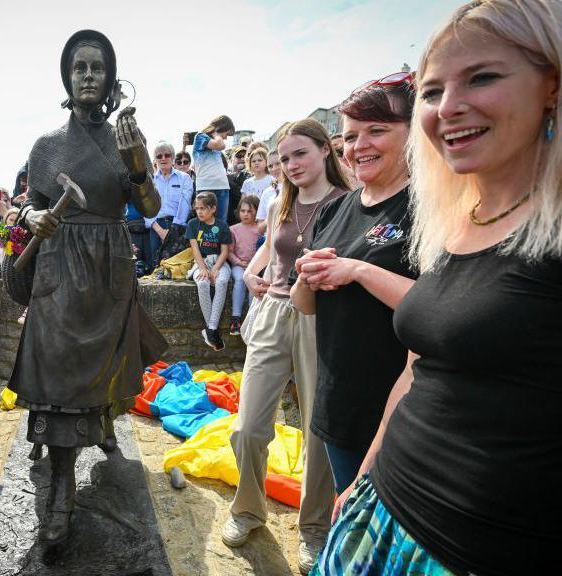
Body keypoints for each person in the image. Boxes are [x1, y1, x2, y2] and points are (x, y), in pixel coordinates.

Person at [311, 1, 562, 574]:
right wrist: (363, 477)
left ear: (554, 84)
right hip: (378, 517)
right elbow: (418, 368)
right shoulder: (460, 213)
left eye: (482, 77)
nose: (449, 108)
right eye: (432, 92)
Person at [12, 29, 167, 546]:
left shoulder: (125, 138)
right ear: (66, 77)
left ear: (110, 80)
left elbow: (149, 209)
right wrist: (34, 215)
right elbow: (23, 206)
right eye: (78, 68)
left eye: (96, 68)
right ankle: (61, 490)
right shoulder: (47, 145)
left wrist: (139, 165)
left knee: (104, 366)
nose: (87, 76)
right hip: (59, 266)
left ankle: (102, 425)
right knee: (57, 376)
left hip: (108, 265)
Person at [223, 118, 349, 574]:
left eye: (300, 154)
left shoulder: (348, 203)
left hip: (323, 320)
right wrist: (254, 272)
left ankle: (313, 526)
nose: (291, 165)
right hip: (274, 313)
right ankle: (248, 509)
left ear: (323, 151)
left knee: (318, 430)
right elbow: (271, 247)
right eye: (284, 158)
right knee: (247, 428)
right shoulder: (279, 201)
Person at [290, 72, 418, 496]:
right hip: (338, 402)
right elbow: (306, 306)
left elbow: (442, 307)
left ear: (414, 133)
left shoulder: (428, 210)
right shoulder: (335, 210)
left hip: (402, 412)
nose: (359, 145)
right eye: (350, 135)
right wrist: (309, 277)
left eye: (376, 130)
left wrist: (359, 271)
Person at [186, 191, 232, 351]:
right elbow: (195, 249)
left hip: (219, 262)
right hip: (201, 262)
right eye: (197, 208)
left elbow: (225, 251)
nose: (199, 211)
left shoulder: (222, 225)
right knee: (203, 283)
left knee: (222, 281)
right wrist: (204, 269)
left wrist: (215, 269)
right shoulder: (192, 224)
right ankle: (212, 330)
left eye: (203, 208)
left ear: (213, 208)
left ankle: (210, 329)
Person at [145, 141, 194, 271]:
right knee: (155, 266)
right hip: (155, 226)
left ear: (172, 158)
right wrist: (159, 230)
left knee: (176, 267)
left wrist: (172, 232)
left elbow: (185, 205)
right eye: (159, 156)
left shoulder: (184, 178)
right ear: (155, 159)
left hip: (177, 225)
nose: (163, 159)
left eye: (167, 155)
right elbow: (145, 207)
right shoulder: (149, 180)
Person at [227, 195, 260, 335]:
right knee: (240, 280)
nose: (245, 214)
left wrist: (253, 265)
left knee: (255, 283)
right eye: (243, 211)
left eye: (249, 211)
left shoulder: (260, 229)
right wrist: (239, 262)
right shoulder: (233, 229)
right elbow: (229, 251)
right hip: (238, 265)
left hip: (255, 266)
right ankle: (236, 319)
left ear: (257, 212)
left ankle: (253, 320)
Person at [192, 115, 235, 222]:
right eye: (226, 133)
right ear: (221, 127)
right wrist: (215, 133)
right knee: (204, 223)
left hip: (222, 187)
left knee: (220, 224)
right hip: (205, 187)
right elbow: (220, 145)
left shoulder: (216, 142)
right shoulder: (200, 136)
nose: (225, 138)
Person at [255, 149, 283, 234]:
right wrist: (270, 219)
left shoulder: (298, 187)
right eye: (270, 166)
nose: (274, 168)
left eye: (278, 163)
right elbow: (259, 229)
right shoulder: (267, 192)